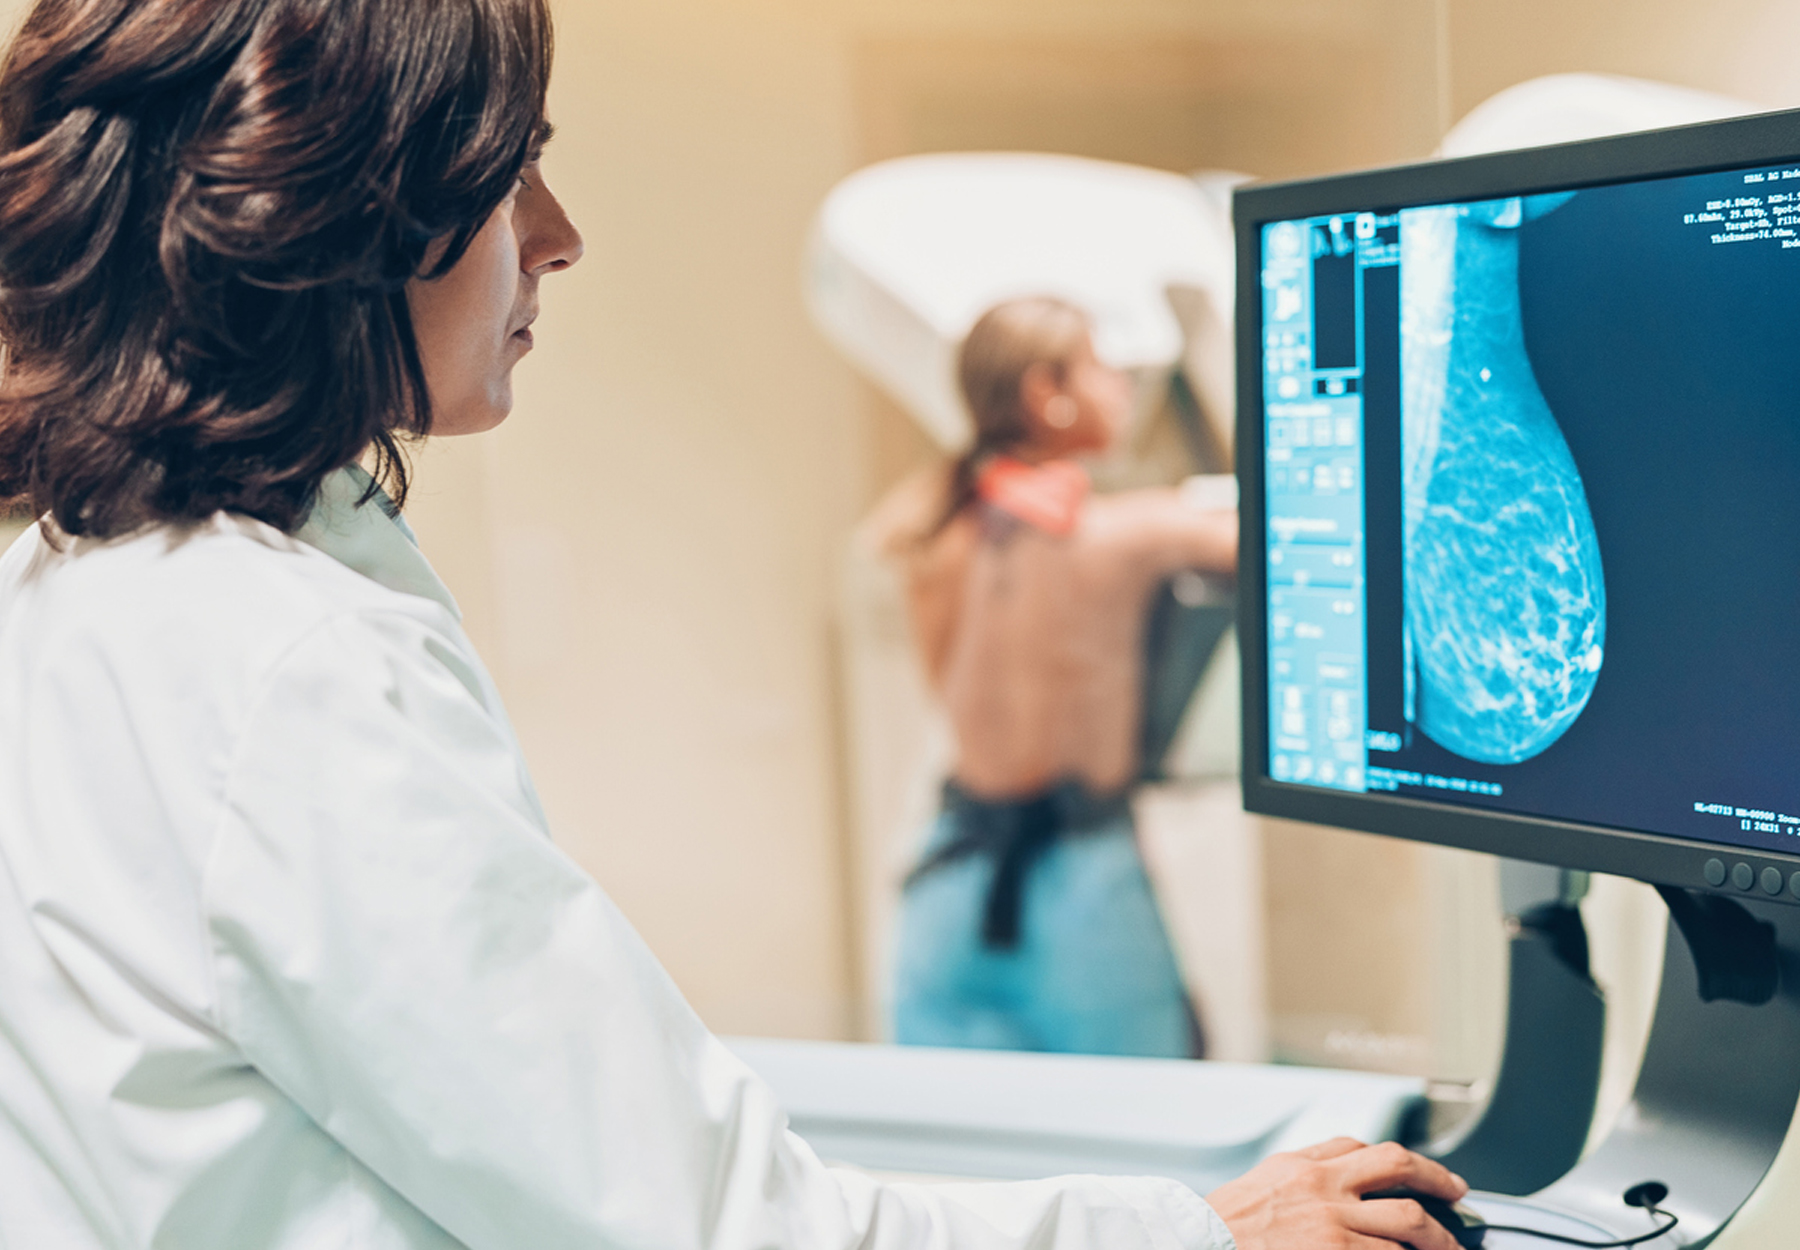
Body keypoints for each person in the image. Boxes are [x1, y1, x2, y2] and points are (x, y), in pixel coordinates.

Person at [0, 2, 1470, 1248]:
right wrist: (1202, 1233)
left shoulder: (75, 583)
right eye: (512, 178)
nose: (560, 240)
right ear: (336, 214)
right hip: (1059, 877)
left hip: (960, 873)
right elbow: (728, 1223)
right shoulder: (287, 667)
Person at [883, 297, 1236, 1057]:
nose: (1123, 388)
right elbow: (1300, 536)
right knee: (1152, 1127)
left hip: (949, 875)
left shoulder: (925, 529)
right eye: (1104, 367)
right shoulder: (1121, 535)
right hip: (1078, 888)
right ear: (1049, 394)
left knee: (959, 1148)